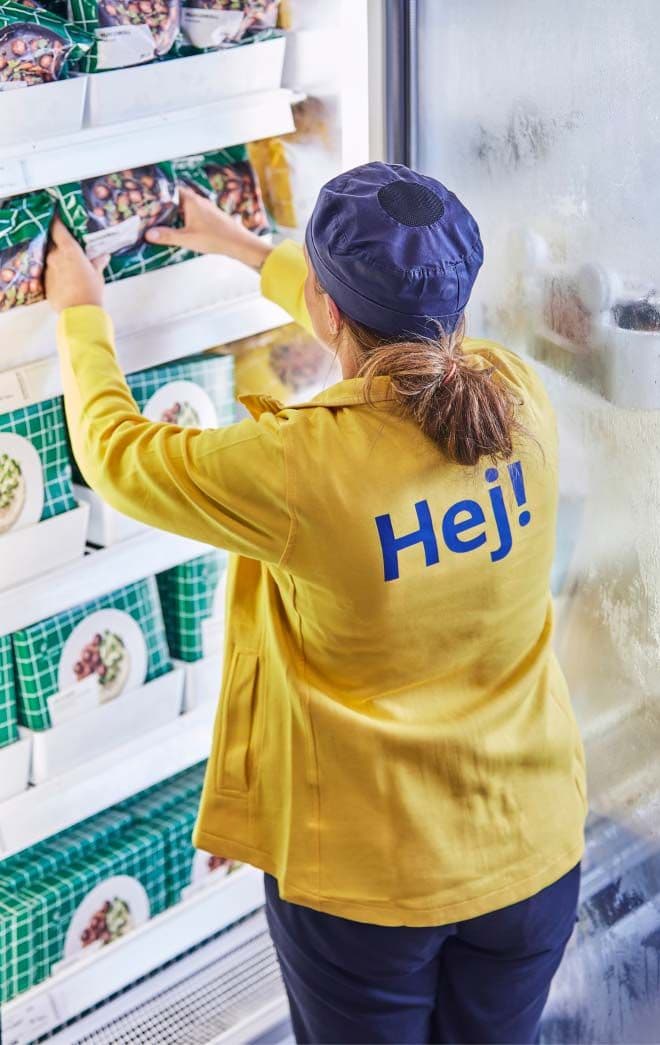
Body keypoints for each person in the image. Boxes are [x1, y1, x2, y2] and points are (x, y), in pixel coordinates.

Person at [46, 162, 587, 1045]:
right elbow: (401, 348)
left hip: (373, 886)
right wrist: (244, 247)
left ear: (330, 313)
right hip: (531, 853)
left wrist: (80, 310)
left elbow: (115, 452)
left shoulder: (297, 467)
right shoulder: (514, 394)